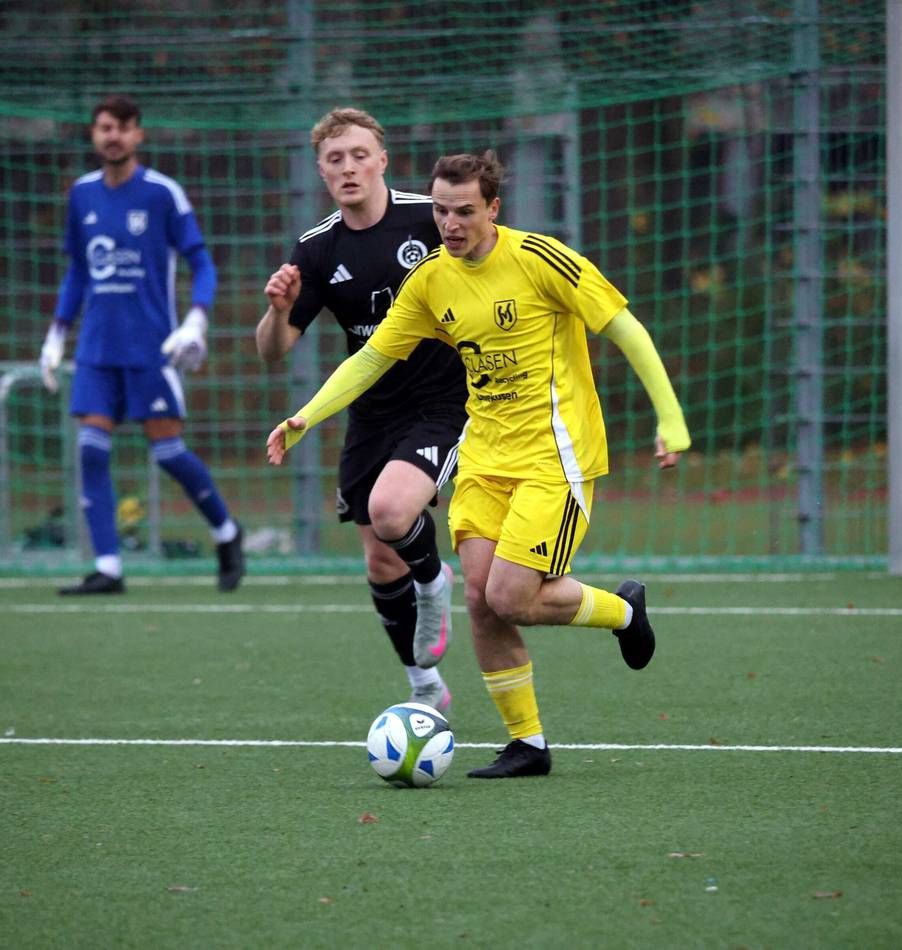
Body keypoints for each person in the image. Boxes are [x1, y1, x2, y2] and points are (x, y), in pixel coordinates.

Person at [266, 151, 691, 778]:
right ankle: (529, 744)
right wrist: (307, 416)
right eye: (440, 210)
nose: (450, 223)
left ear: (493, 208)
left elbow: (626, 329)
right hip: (485, 454)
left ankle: (625, 612)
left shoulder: (540, 259)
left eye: (464, 211)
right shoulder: (432, 279)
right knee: (481, 598)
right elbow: (372, 358)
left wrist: (670, 419)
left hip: (556, 454)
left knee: (512, 596)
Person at [256, 108, 467, 714]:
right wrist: (277, 309)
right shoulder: (317, 250)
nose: (347, 167)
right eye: (334, 159)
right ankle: (423, 683)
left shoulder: (426, 218)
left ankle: (433, 580)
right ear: (321, 171)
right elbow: (275, 350)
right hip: (371, 412)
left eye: (358, 154)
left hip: (442, 401)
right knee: (378, 557)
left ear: (381, 159)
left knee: (392, 509)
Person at [38, 93, 244, 595]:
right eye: (105, 126)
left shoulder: (162, 194)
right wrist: (56, 335)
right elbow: (79, 273)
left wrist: (195, 321)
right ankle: (108, 567)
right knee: (90, 451)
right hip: (96, 351)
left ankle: (226, 531)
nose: (113, 135)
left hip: (153, 348)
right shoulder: (82, 194)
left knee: (169, 452)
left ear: (138, 135)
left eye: (123, 127)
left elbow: (203, 263)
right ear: (94, 133)